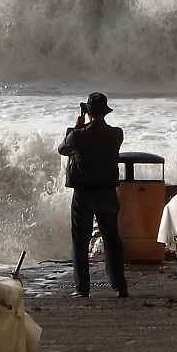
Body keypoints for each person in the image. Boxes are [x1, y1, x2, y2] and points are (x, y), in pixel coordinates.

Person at [57, 91, 129, 298]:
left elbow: (63, 149)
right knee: (111, 238)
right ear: (105, 112)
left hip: (83, 194)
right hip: (107, 192)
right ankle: (120, 286)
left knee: (80, 240)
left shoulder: (78, 135)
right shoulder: (116, 134)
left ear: (88, 113)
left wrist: (77, 126)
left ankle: (82, 288)